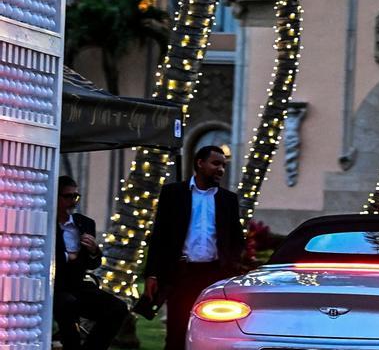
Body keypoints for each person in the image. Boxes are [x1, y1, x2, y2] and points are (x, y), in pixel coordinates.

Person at [143, 146, 244, 350]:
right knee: (177, 332)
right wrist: (152, 274)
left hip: (215, 275)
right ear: (200, 162)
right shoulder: (173, 193)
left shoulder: (228, 199)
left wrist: (231, 266)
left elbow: (236, 238)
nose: (221, 169)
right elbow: (160, 236)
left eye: (223, 165)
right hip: (182, 274)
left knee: (214, 330)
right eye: (216, 163)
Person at [53, 175, 128, 350]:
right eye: (67, 196)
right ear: (55, 197)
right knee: (68, 304)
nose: (73, 201)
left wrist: (94, 251)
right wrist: (67, 256)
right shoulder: (46, 222)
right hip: (54, 287)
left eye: (75, 196)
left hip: (79, 284)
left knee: (118, 308)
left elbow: (93, 264)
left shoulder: (85, 223)